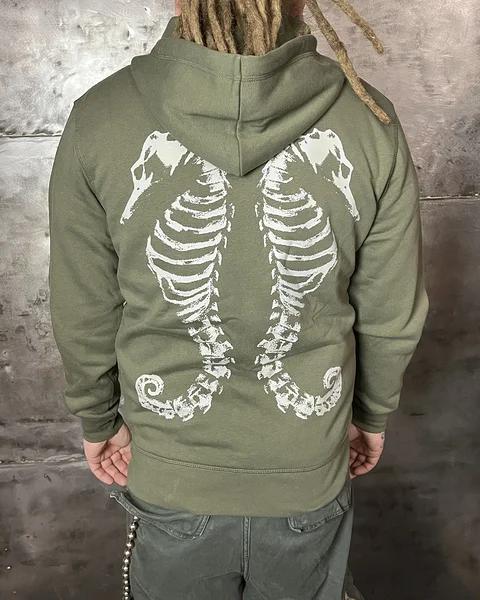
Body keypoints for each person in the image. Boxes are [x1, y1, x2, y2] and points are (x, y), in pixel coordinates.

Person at [48, 0, 429, 598]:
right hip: (307, 469)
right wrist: (370, 415)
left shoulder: (99, 116)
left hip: (171, 473)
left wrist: (98, 419)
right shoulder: (370, 119)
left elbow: (83, 308)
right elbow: (390, 311)